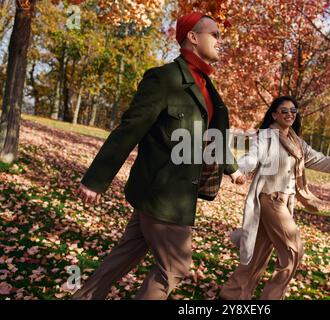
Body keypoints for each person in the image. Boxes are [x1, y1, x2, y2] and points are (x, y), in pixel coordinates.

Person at [72, 12, 245, 300]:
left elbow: (210, 137)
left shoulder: (206, 86)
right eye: (214, 34)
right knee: (175, 267)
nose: (219, 40)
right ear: (192, 37)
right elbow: (129, 129)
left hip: (171, 194)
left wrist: (232, 169)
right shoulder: (164, 79)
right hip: (163, 195)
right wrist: (95, 180)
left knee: (122, 258)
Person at [219, 96, 330, 300]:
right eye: (284, 111)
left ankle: (232, 295)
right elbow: (253, 157)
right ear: (274, 114)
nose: (289, 114)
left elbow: (319, 160)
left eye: (293, 111)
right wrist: (238, 171)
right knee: (294, 250)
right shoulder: (266, 136)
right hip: (270, 199)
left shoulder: (296, 142)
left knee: (258, 253)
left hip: (286, 201)